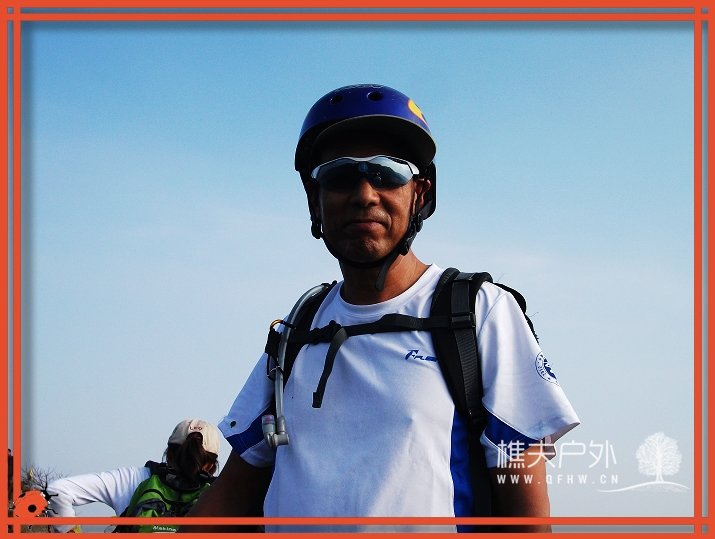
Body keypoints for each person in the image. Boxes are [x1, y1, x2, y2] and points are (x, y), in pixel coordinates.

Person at [185, 84, 580, 533]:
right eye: (339, 175)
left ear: (420, 194)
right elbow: (234, 491)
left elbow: (527, 514)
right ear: (315, 198)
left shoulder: (479, 314)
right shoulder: (299, 327)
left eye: (387, 172)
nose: (365, 194)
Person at [46, 419, 220, 533]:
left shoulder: (134, 479)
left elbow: (57, 490)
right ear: (211, 465)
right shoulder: (221, 494)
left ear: (169, 454)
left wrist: (68, 531)